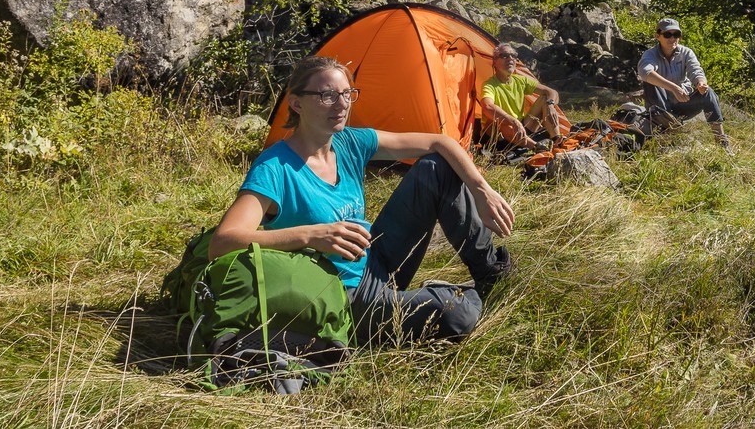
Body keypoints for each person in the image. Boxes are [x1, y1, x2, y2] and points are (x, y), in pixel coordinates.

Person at [210, 56, 516, 344]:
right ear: (296, 103)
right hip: (343, 293)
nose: (342, 104)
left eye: (347, 93)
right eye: (327, 95)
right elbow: (222, 242)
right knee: (458, 312)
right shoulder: (274, 168)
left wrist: (480, 190)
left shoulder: (349, 141)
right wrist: (312, 236)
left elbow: (439, 141)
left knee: (435, 169)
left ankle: (490, 275)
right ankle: (436, 300)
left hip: (375, 257)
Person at [638, 17, 730, 150]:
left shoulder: (686, 52)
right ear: (658, 36)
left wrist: (701, 83)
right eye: (668, 34)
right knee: (650, 82)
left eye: (676, 34)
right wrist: (673, 87)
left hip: (683, 103)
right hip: (660, 107)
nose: (672, 38)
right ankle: (667, 124)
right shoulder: (650, 54)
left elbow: (696, 71)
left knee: (708, 92)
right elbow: (644, 72)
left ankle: (721, 141)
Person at [480, 44, 563, 150]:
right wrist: (513, 121)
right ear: (495, 61)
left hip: (521, 128)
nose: (510, 58)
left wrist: (550, 105)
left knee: (545, 99)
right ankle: (537, 147)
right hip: (500, 137)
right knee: (501, 123)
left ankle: (557, 141)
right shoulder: (490, 85)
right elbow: (487, 106)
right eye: (504, 55)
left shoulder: (520, 80)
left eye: (513, 55)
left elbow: (551, 92)